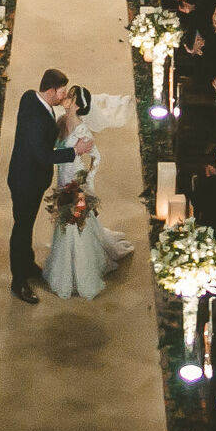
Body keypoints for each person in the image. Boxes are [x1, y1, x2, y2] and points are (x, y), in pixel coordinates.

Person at [44, 85, 135, 299]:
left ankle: (80, 272)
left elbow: (96, 156)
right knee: (64, 220)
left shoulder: (81, 129)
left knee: (75, 221)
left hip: (74, 179)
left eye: (71, 96)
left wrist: (87, 182)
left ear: (77, 103)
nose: (66, 97)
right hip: (62, 175)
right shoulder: (63, 119)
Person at [6, 68, 88, 303]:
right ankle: (18, 281)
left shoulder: (30, 97)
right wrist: (74, 151)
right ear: (51, 90)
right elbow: (43, 155)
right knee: (21, 228)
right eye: (61, 92)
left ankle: (27, 262)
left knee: (26, 224)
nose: (63, 96)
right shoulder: (36, 119)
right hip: (25, 181)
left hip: (28, 175)